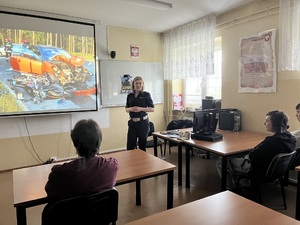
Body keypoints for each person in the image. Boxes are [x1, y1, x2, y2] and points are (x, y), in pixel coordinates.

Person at [217, 110, 296, 189]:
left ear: (276, 123)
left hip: (259, 171)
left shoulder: (271, 141)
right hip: (275, 172)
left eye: (267, 121)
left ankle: (232, 188)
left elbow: (253, 156)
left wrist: (251, 151)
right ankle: (241, 183)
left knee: (222, 160)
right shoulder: (291, 139)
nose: (264, 123)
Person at [44, 119, 119, 199]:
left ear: (74, 142)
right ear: (99, 140)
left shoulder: (59, 173)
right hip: (100, 211)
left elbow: (50, 193)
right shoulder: (112, 166)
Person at [125, 76, 154, 151]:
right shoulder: (129, 96)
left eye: (140, 83)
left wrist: (141, 109)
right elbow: (126, 109)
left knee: (142, 146)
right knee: (130, 146)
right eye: (136, 83)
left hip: (143, 123)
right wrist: (131, 109)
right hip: (132, 123)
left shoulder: (146, 95)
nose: (138, 85)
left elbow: (152, 109)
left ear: (142, 84)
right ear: (133, 84)